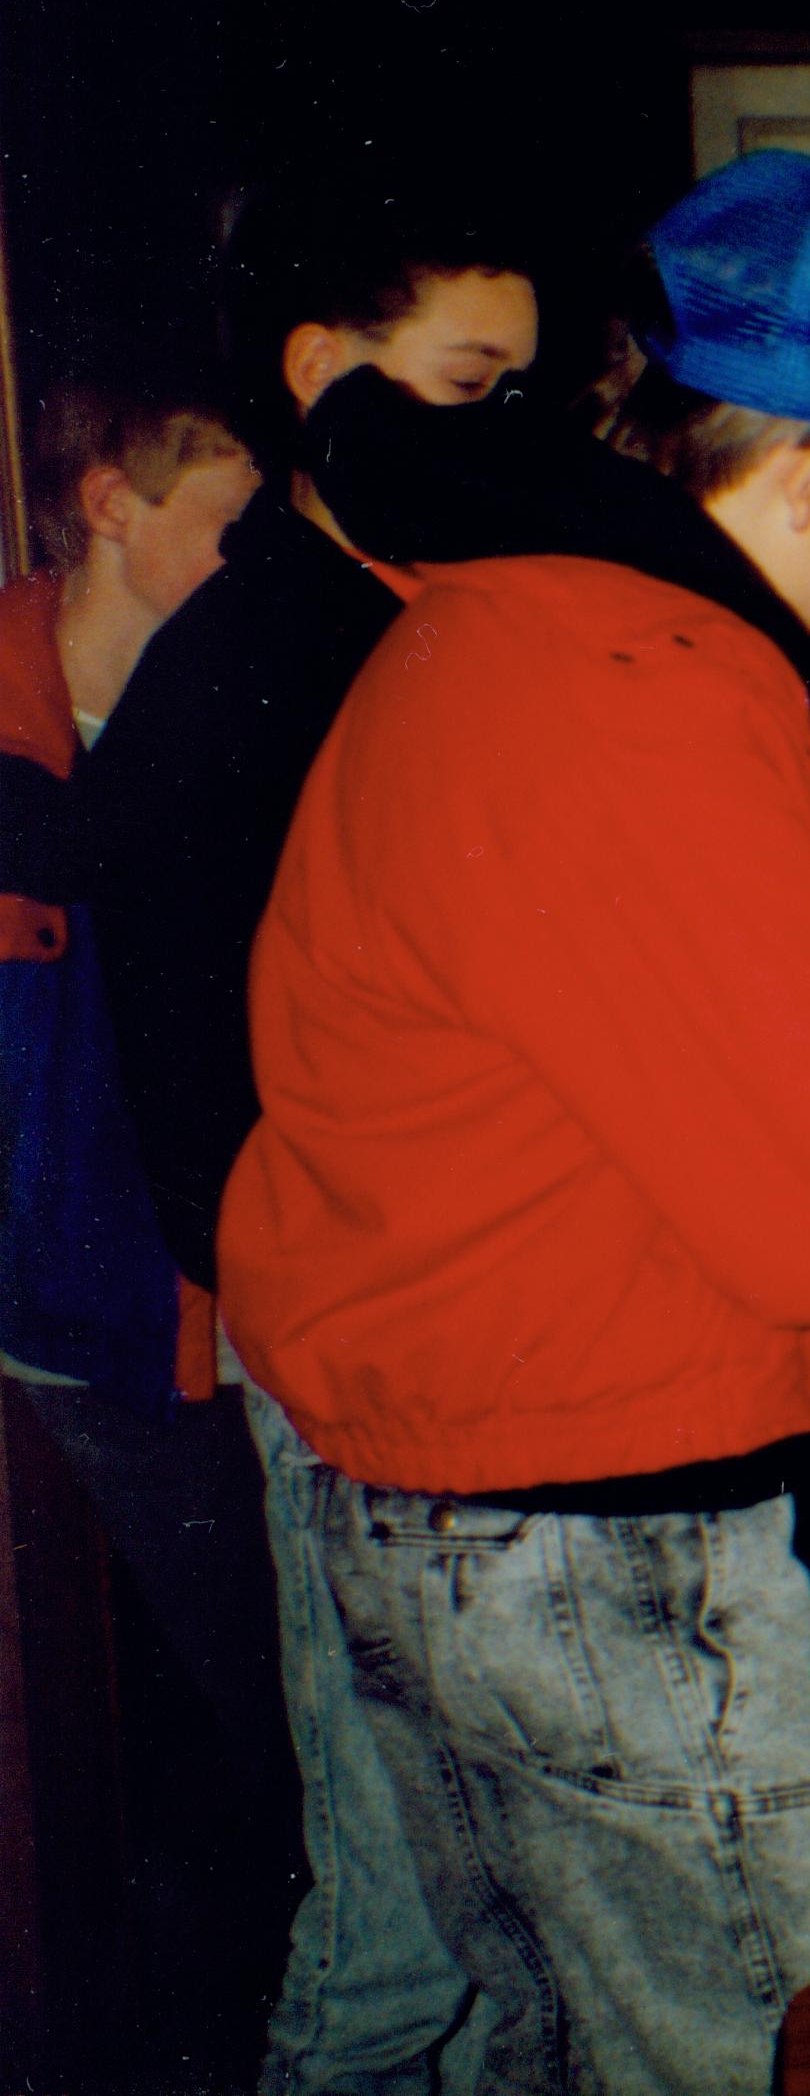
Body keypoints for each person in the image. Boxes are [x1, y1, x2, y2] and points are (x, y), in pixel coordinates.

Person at [214, 149, 810, 2089]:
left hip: (432, 1487)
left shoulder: (485, 622)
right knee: (790, 2058)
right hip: (592, 1543)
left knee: (531, 2053)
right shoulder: (642, 690)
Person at [78, 181, 539, 2095]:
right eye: (460, 380)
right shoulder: (281, 653)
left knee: (454, 1904)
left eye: (516, 389)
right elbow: (222, 1065)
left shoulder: (360, 619)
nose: (489, 431)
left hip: (373, 1312)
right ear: (319, 372)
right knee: (394, 1923)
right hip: (345, 1327)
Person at [0, 372, 287, 2084]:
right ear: (110, 504)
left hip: (218, 1324)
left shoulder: (235, 707)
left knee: (246, 1760)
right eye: (223, 527)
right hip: (60, 1342)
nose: (255, 562)